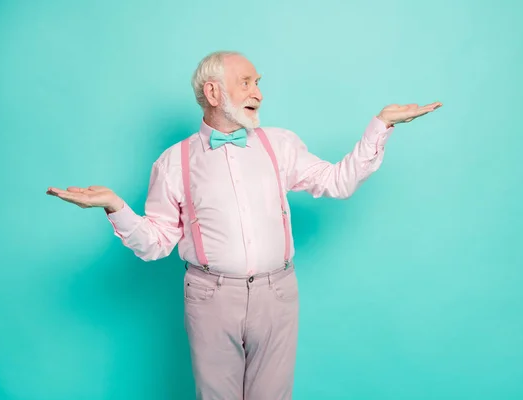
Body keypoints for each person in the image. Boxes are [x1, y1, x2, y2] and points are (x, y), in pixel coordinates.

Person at [47, 50, 442, 399]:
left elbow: (337, 181)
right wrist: (115, 206)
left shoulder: (280, 144)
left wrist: (381, 125)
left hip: (278, 294)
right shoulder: (173, 162)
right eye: (247, 83)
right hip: (211, 297)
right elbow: (155, 243)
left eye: (258, 83)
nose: (259, 93)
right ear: (215, 93)